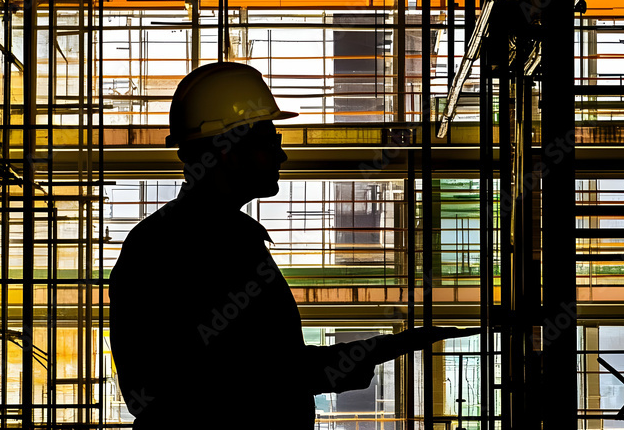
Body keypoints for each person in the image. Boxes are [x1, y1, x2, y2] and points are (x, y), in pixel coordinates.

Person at [109, 62, 476, 429]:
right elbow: (179, 387)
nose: (281, 156)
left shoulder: (201, 240)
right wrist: (337, 364)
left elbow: (248, 365)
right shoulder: (183, 248)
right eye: (270, 142)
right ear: (227, 150)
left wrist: (341, 362)